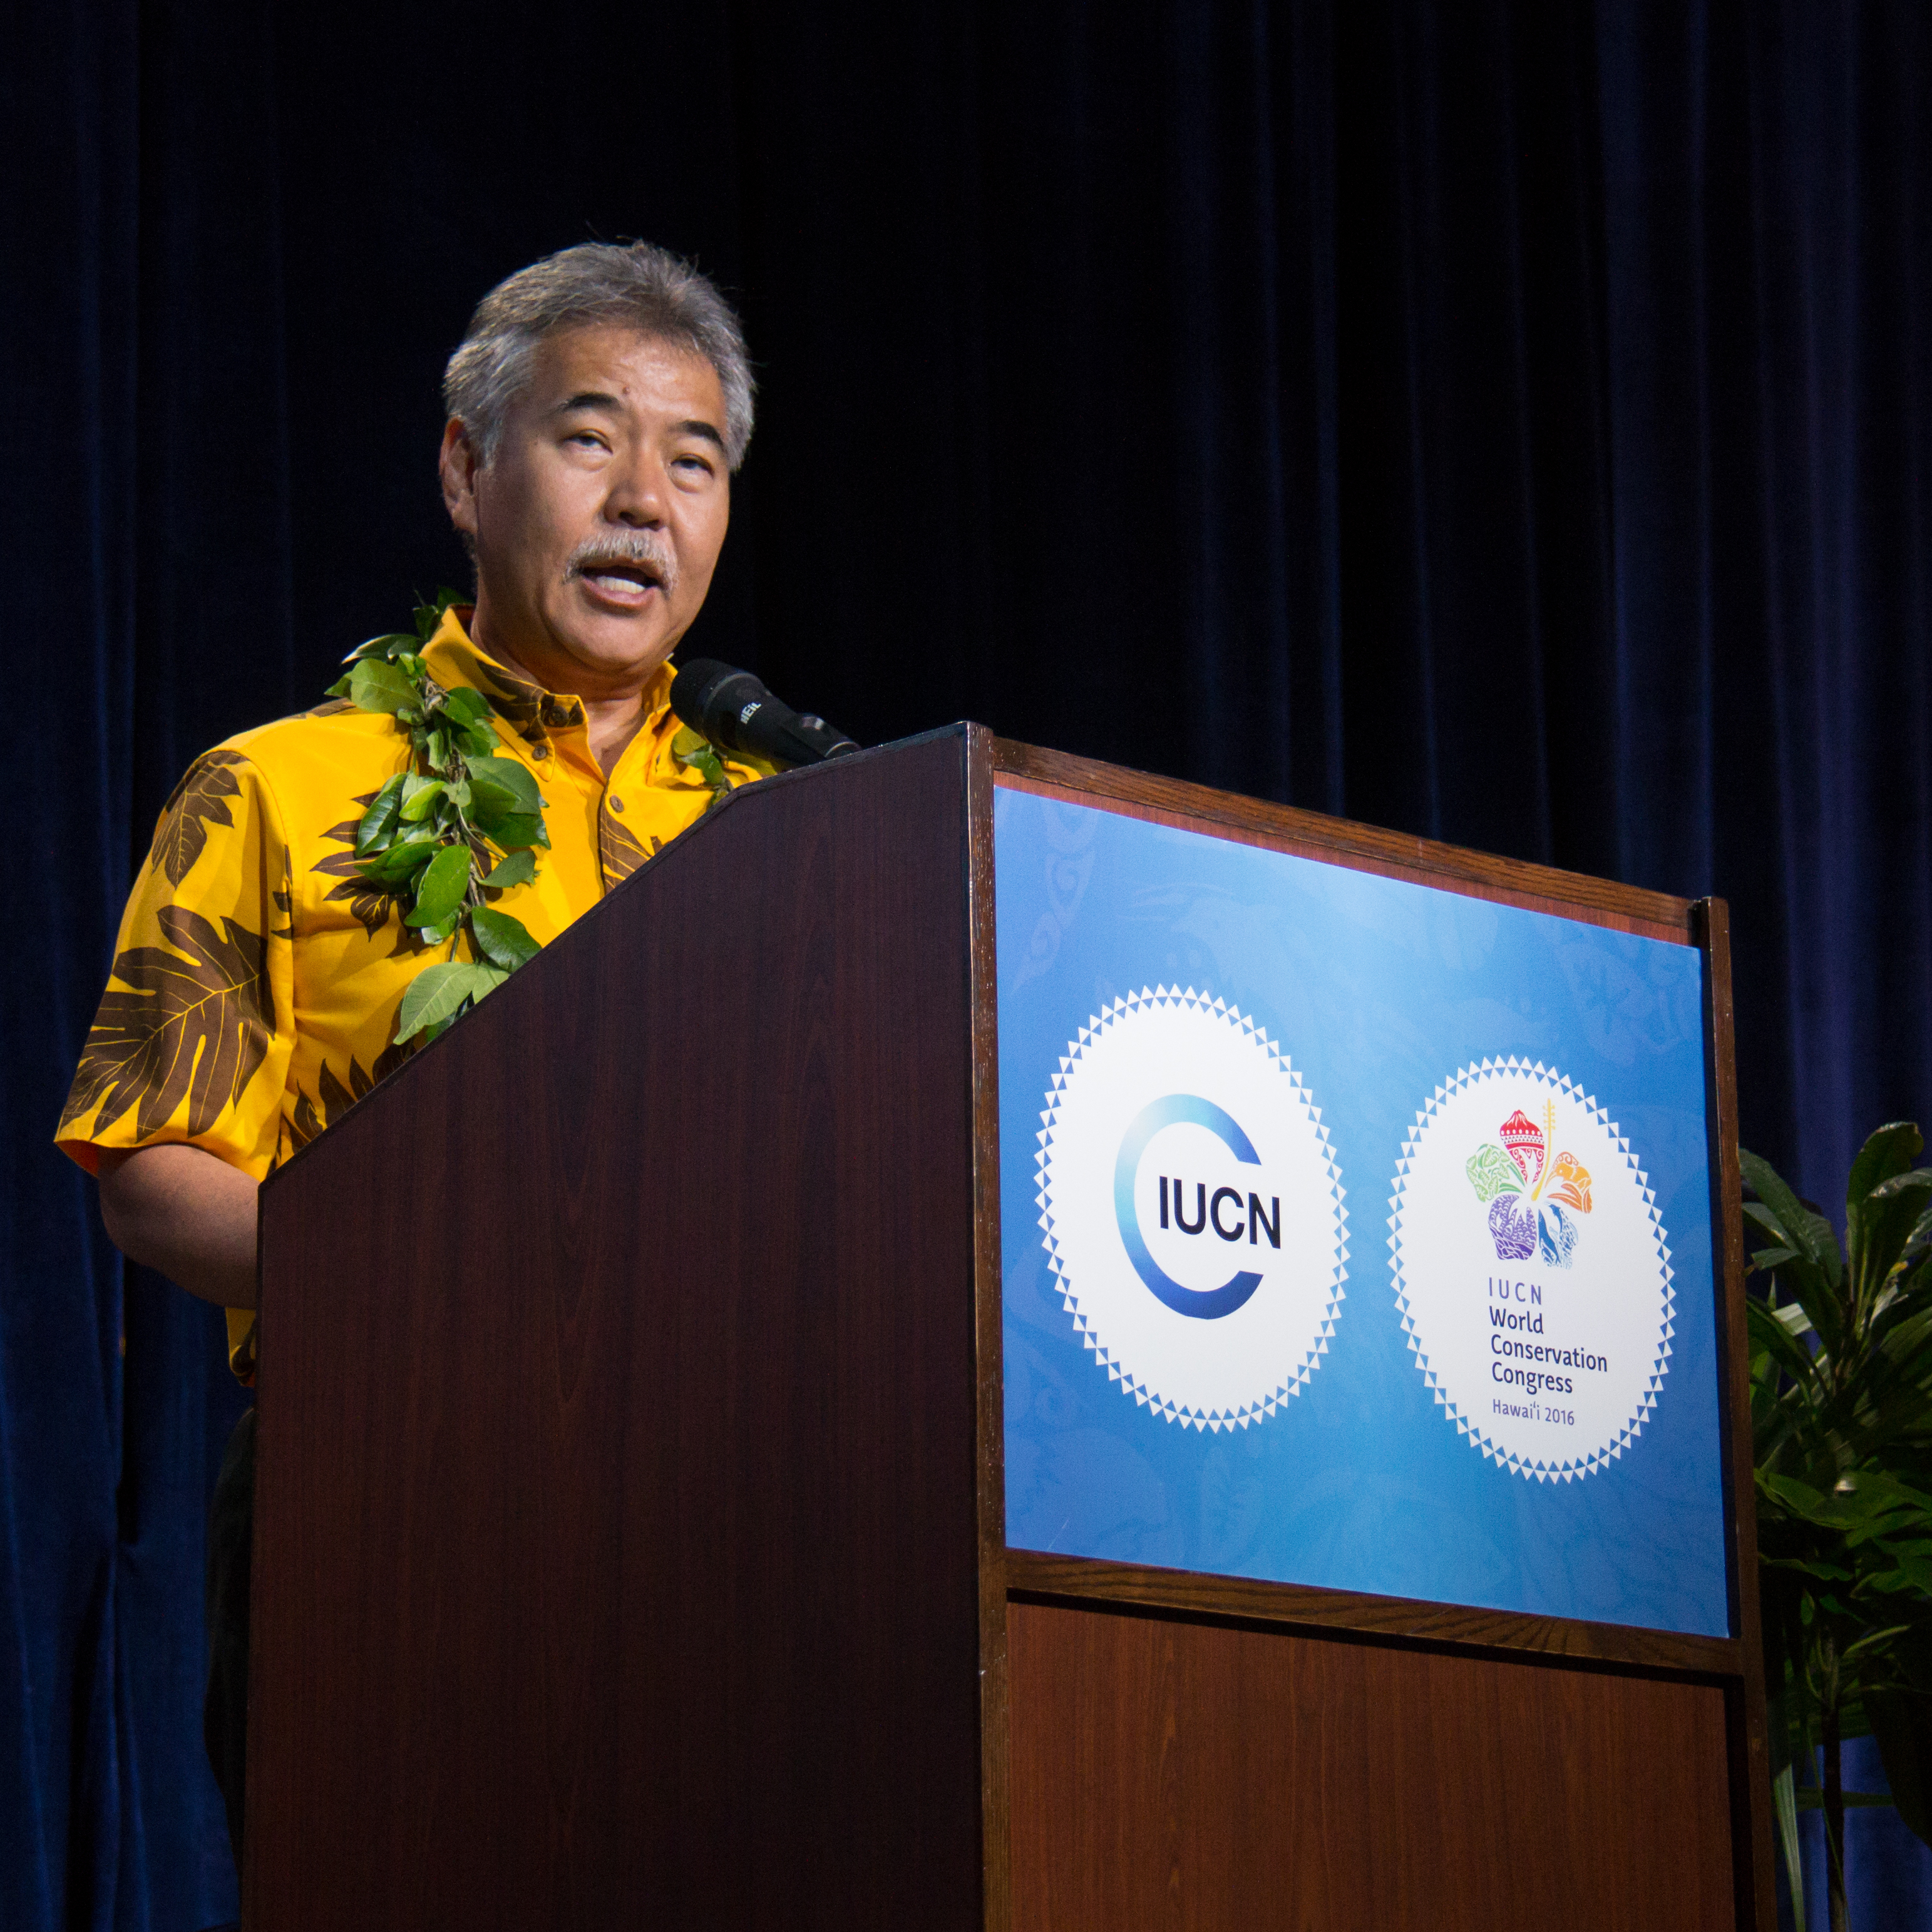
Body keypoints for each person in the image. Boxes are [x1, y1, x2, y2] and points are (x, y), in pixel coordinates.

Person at [54, 239, 769, 1869]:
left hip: (729, 1524)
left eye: (695, 457)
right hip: (386, 1498)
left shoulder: (792, 838)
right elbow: (154, 1170)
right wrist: (432, 1291)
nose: (645, 499)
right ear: (468, 467)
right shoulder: (277, 791)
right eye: (591, 437)